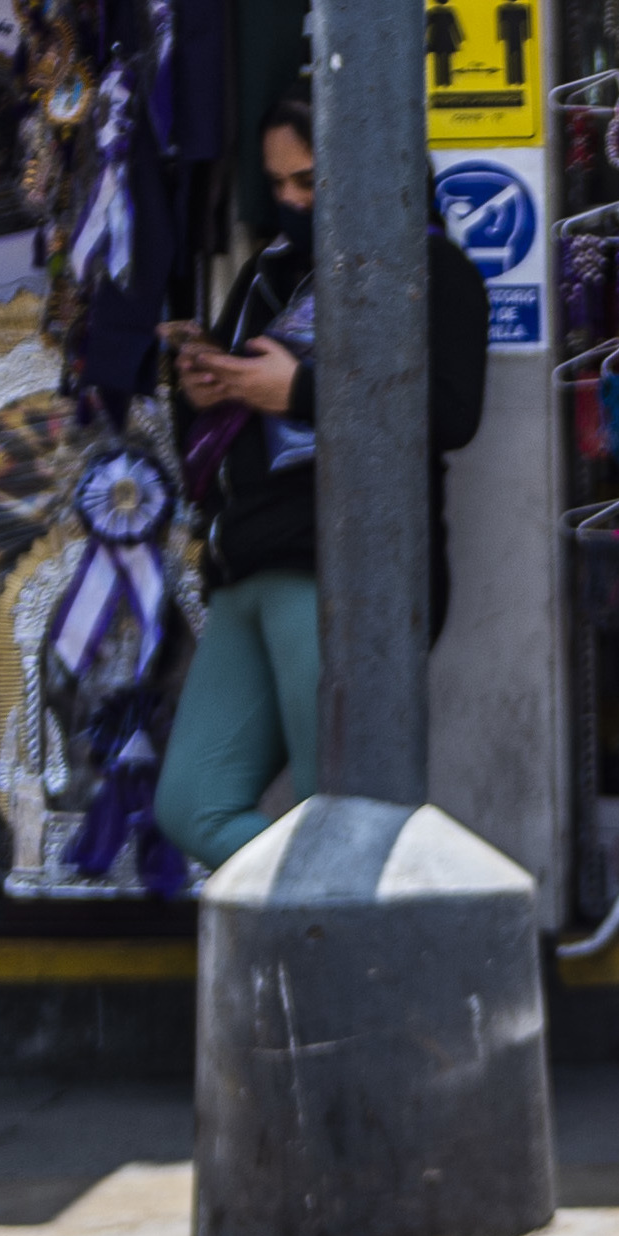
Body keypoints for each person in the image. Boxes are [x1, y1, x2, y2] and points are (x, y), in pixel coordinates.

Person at [152, 99, 491, 871]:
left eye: (309, 182)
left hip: (345, 573)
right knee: (192, 803)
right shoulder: (267, 273)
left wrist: (299, 392)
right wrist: (209, 385)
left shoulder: (433, 270)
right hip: (246, 560)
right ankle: (349, 911)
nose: (293, 202)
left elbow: (452, 412)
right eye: (278, 187)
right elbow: (228, 420)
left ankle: (373, 940)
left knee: (336, 813)